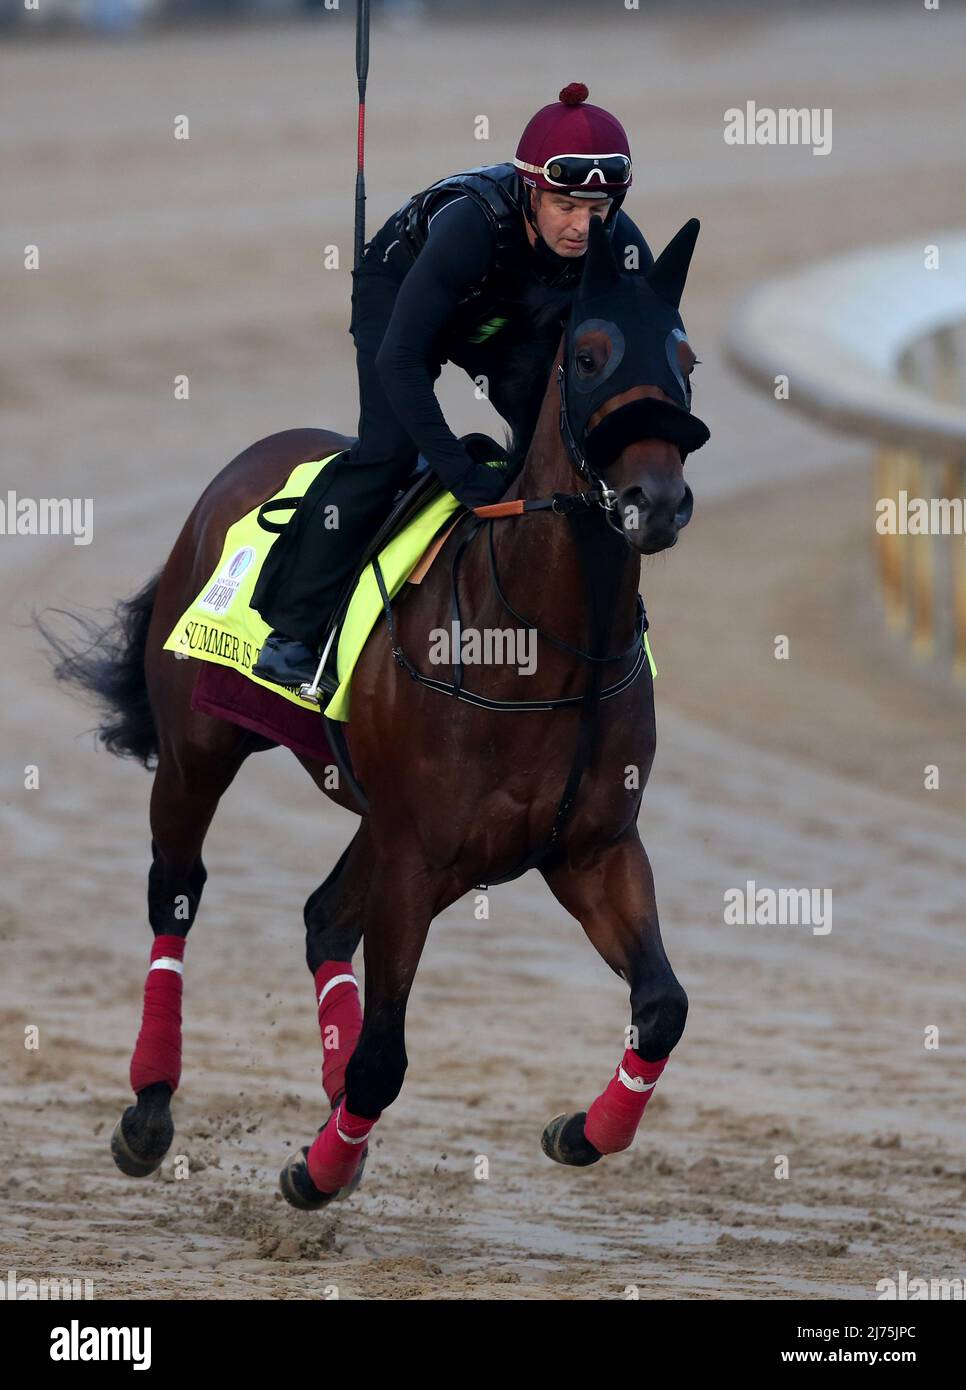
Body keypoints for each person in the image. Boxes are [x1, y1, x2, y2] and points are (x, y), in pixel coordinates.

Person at [250, 82, 654, 692]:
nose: (580, 228)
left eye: (597, 212)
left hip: (505, 313)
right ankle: (294, 635)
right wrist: (464, 480)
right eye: (565, 206)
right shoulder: (471, 226)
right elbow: (402, 361)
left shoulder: (619, 244)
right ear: (530, 190)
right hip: (405, 295)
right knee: (386, 453)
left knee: (558, 441)